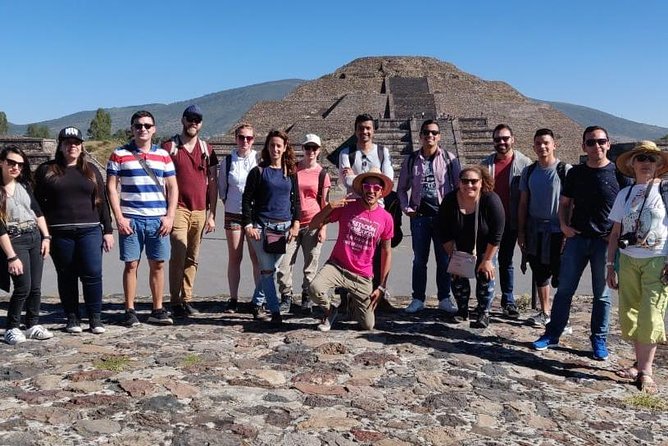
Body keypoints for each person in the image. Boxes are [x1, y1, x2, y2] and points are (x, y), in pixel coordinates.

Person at [533, 126, 632, 360]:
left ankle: (599, 338)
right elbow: (565, 203)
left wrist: (616, 237)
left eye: (600, 141)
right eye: (590, 142)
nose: (596, 146)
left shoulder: (619, 175)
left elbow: (629, 211)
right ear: (583, 146)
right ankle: (553, 332)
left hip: (604, 243)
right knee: (565, 290)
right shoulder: (576, 173)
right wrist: (565, 227)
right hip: (577, 239)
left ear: (608, 144)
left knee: (602, 295)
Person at [34, 127, 114, 334]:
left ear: (81, 146)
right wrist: (44, 234)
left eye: (76, 142)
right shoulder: (46, 170)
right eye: (68, 142)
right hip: (60, 232)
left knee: (93, 273)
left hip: (90, 230)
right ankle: (72, 317)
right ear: (60, 146)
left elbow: (102, 202)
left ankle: (95, 318)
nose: (72, 146)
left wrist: (107, 230)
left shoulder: (91, 170)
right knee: (67, 275)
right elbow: (36, 204)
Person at [607, 141, 668, 394]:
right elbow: (615, 232)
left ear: (658, 165)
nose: (646, 163)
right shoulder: (625, 194)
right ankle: (638, 363)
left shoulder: (666, 191)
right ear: (632, 164)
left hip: (657, 260)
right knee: (630, 312)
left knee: (651, 314)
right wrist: (611, 265)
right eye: (641, 158)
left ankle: (646, 371)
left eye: (651, 159)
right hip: (628, 260)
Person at [106, 110, 178, 327]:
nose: (143, 129)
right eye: (138, 125)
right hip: (131, 219)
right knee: (131, 265)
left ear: (154, 129)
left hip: (157, 220)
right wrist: (119, 217)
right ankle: (129, 309)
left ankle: (157, 308)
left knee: (158, 265)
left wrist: (170, 216)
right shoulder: (118, 154)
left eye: (147, 125)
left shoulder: (164, 156)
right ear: (132, 129)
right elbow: (111, 187)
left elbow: (173, 186)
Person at [309, 168, 394, 332]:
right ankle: (330, 311)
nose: (371, 191)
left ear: (382, 192)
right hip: (338, 266)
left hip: (362, 275)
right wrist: (329, 207)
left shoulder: (386, 218)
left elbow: (386, 251)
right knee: (315, 289)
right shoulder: (347, 206)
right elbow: (313, 224)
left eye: (376, 188)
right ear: (362, 187)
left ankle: (353, 303)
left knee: (368, 325)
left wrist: (382, 286)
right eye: (368, 186)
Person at [397, 119, 460, 314]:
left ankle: (444, 298)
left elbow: (459, 188)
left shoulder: (450, 159)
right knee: (419, 260)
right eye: (426, 132)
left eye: (433, 132)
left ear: (439, 136)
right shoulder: (411, 160)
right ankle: (418, 298)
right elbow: (401, 189)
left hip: (443, 218)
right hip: (420, 217)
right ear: (420, 136)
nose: (429, 136)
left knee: (444, 260)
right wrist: (407, 208)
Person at [163, 105, 219, 318]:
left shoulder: (207, 149)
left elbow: (212, 183)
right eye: (190, 119)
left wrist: (212, 214)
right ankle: (175, 300)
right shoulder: (169, 147)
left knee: (193, 257)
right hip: (178, 208)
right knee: (179, 252)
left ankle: (187, 298)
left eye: (197, 119)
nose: (193, 123)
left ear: (201, 123)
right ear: (183, 120)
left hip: (199, 210)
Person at [241, 130, 301, 326]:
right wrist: (249, 225)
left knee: (271, 269)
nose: (275, 149)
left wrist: (296, 223)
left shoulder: (290, 173)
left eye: (279, 145)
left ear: (285, 148)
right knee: (267, 270)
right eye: (271, 145)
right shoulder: (258, 172)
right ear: (267, 147)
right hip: (262, 228)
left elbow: (296, 201)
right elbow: (247, 200)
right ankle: (275, 312)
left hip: (284, 229)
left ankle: (257, 303)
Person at [338, 113, 395, 310]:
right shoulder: (346, 152)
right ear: (355, 130)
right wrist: (373, 176)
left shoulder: (382, 151)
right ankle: (347, 295)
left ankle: (379, 292)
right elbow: (346, 180)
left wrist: (359, 179)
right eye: (361, 128)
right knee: (350, 252)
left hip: (377, 211)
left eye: (368, 128)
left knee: (378, 254)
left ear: (374, 130)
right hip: (354, 210)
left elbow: (388, 178)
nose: (365, 132)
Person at [438, 165, 505, 328]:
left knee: (485, 275)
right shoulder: (450, 200)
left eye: (473, 181)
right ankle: (462, 310)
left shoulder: (491, 200)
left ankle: (483, 312)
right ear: (459, 183)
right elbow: (442, 229)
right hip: (459, 246)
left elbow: (497, 232)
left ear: (481, 183)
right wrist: (453, 256)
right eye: (465, 181)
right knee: (457, 277)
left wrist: (488, 259)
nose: (469, 185)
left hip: (485, 247)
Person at [517, 129, 570, 328]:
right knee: (540, 272)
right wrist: (521, 232)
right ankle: (545, 311)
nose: (542, 147)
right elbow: (523, 203)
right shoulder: (529, 171)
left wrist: (568, 229)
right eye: (538, 143)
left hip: (559, 231)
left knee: (562, 274)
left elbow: (572, 203)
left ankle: (562, 316)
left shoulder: (565, 170)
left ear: (554, 144)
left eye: (546, 142)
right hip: (535, 230)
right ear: (533, 147)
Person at [0, 146, 53, 345]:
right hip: (15, 240)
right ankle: (11, 327)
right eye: (11, 163)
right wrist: (11, 256)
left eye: (19, 164)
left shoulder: (24, 186)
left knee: (36, 287)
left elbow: (38, 212)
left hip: (34, 237)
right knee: (23, 286)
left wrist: (46, 237)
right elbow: (0, 229)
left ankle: (32, 324)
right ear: (1, 163)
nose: (15, 167)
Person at [481, 124, 532, 319]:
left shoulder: (525, 164)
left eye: (505, 138)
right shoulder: (485, 165)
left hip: (511, 221)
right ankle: (485, 301)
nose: (501, 142)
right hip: (490, 222)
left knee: (506, 262)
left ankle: (508, 300)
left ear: (513, 139)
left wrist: (524, 226)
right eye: (497, 139)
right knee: (488, 261)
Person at [276, 134, 331, 314]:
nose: (311, 152)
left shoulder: (323, 174)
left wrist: (324, 227)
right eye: (308, 148)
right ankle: (286, 295)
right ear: (303, 149)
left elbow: (325, 204)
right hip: (292, 223)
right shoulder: (293, 169)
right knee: (284, 264)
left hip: (313, 224)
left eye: (314, 148)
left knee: (310, 265)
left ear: (319, 150)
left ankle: (307, 296)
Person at [218, 123, 263, 313]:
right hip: (233, 212)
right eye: (241, 137)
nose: (245, 141)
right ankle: (233, 298)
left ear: (253, 140)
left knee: (257, 258)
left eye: (249, 138)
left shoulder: (260, 159)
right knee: (235, 257)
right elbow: (222, 190)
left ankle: (258, 299)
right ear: (235, 138)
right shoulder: (227, 162)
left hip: (254, 215)